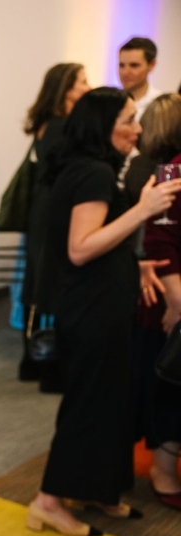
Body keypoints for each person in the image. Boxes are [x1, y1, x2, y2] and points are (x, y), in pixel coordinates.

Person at [26, 88, 181, 536]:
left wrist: (136, 264)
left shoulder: (92, 169)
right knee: (87, 405)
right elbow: (80, 248)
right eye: (128, 121)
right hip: (91, 308)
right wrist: (144, 210)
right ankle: (48, 502)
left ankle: (97, 489)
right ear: (102, 127)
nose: (138, 129)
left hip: (103, 302)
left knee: (110, 403)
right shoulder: (93, 172)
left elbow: (97, 242)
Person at [20, 62, 90, 384]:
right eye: (82, 82)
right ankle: (50, 363)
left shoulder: (46, 122)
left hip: (42, 207)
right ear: (67, 88)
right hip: (54, 209)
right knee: (52, 279)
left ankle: (34, 358)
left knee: (38, 278)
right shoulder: (63, 125)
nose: (88, 87)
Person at [132, 93, 181, 511]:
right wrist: (177, 306)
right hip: (167, 303)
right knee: (169, 388)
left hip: (166, 298)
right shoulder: (169, 172)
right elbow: (160, 242)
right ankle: (163, 474)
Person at [119, 37, 162, 120]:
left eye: (134, 65)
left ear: (151, 65)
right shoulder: (110, 103)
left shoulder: (161, 105)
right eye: (121, 65)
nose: (125, 72)